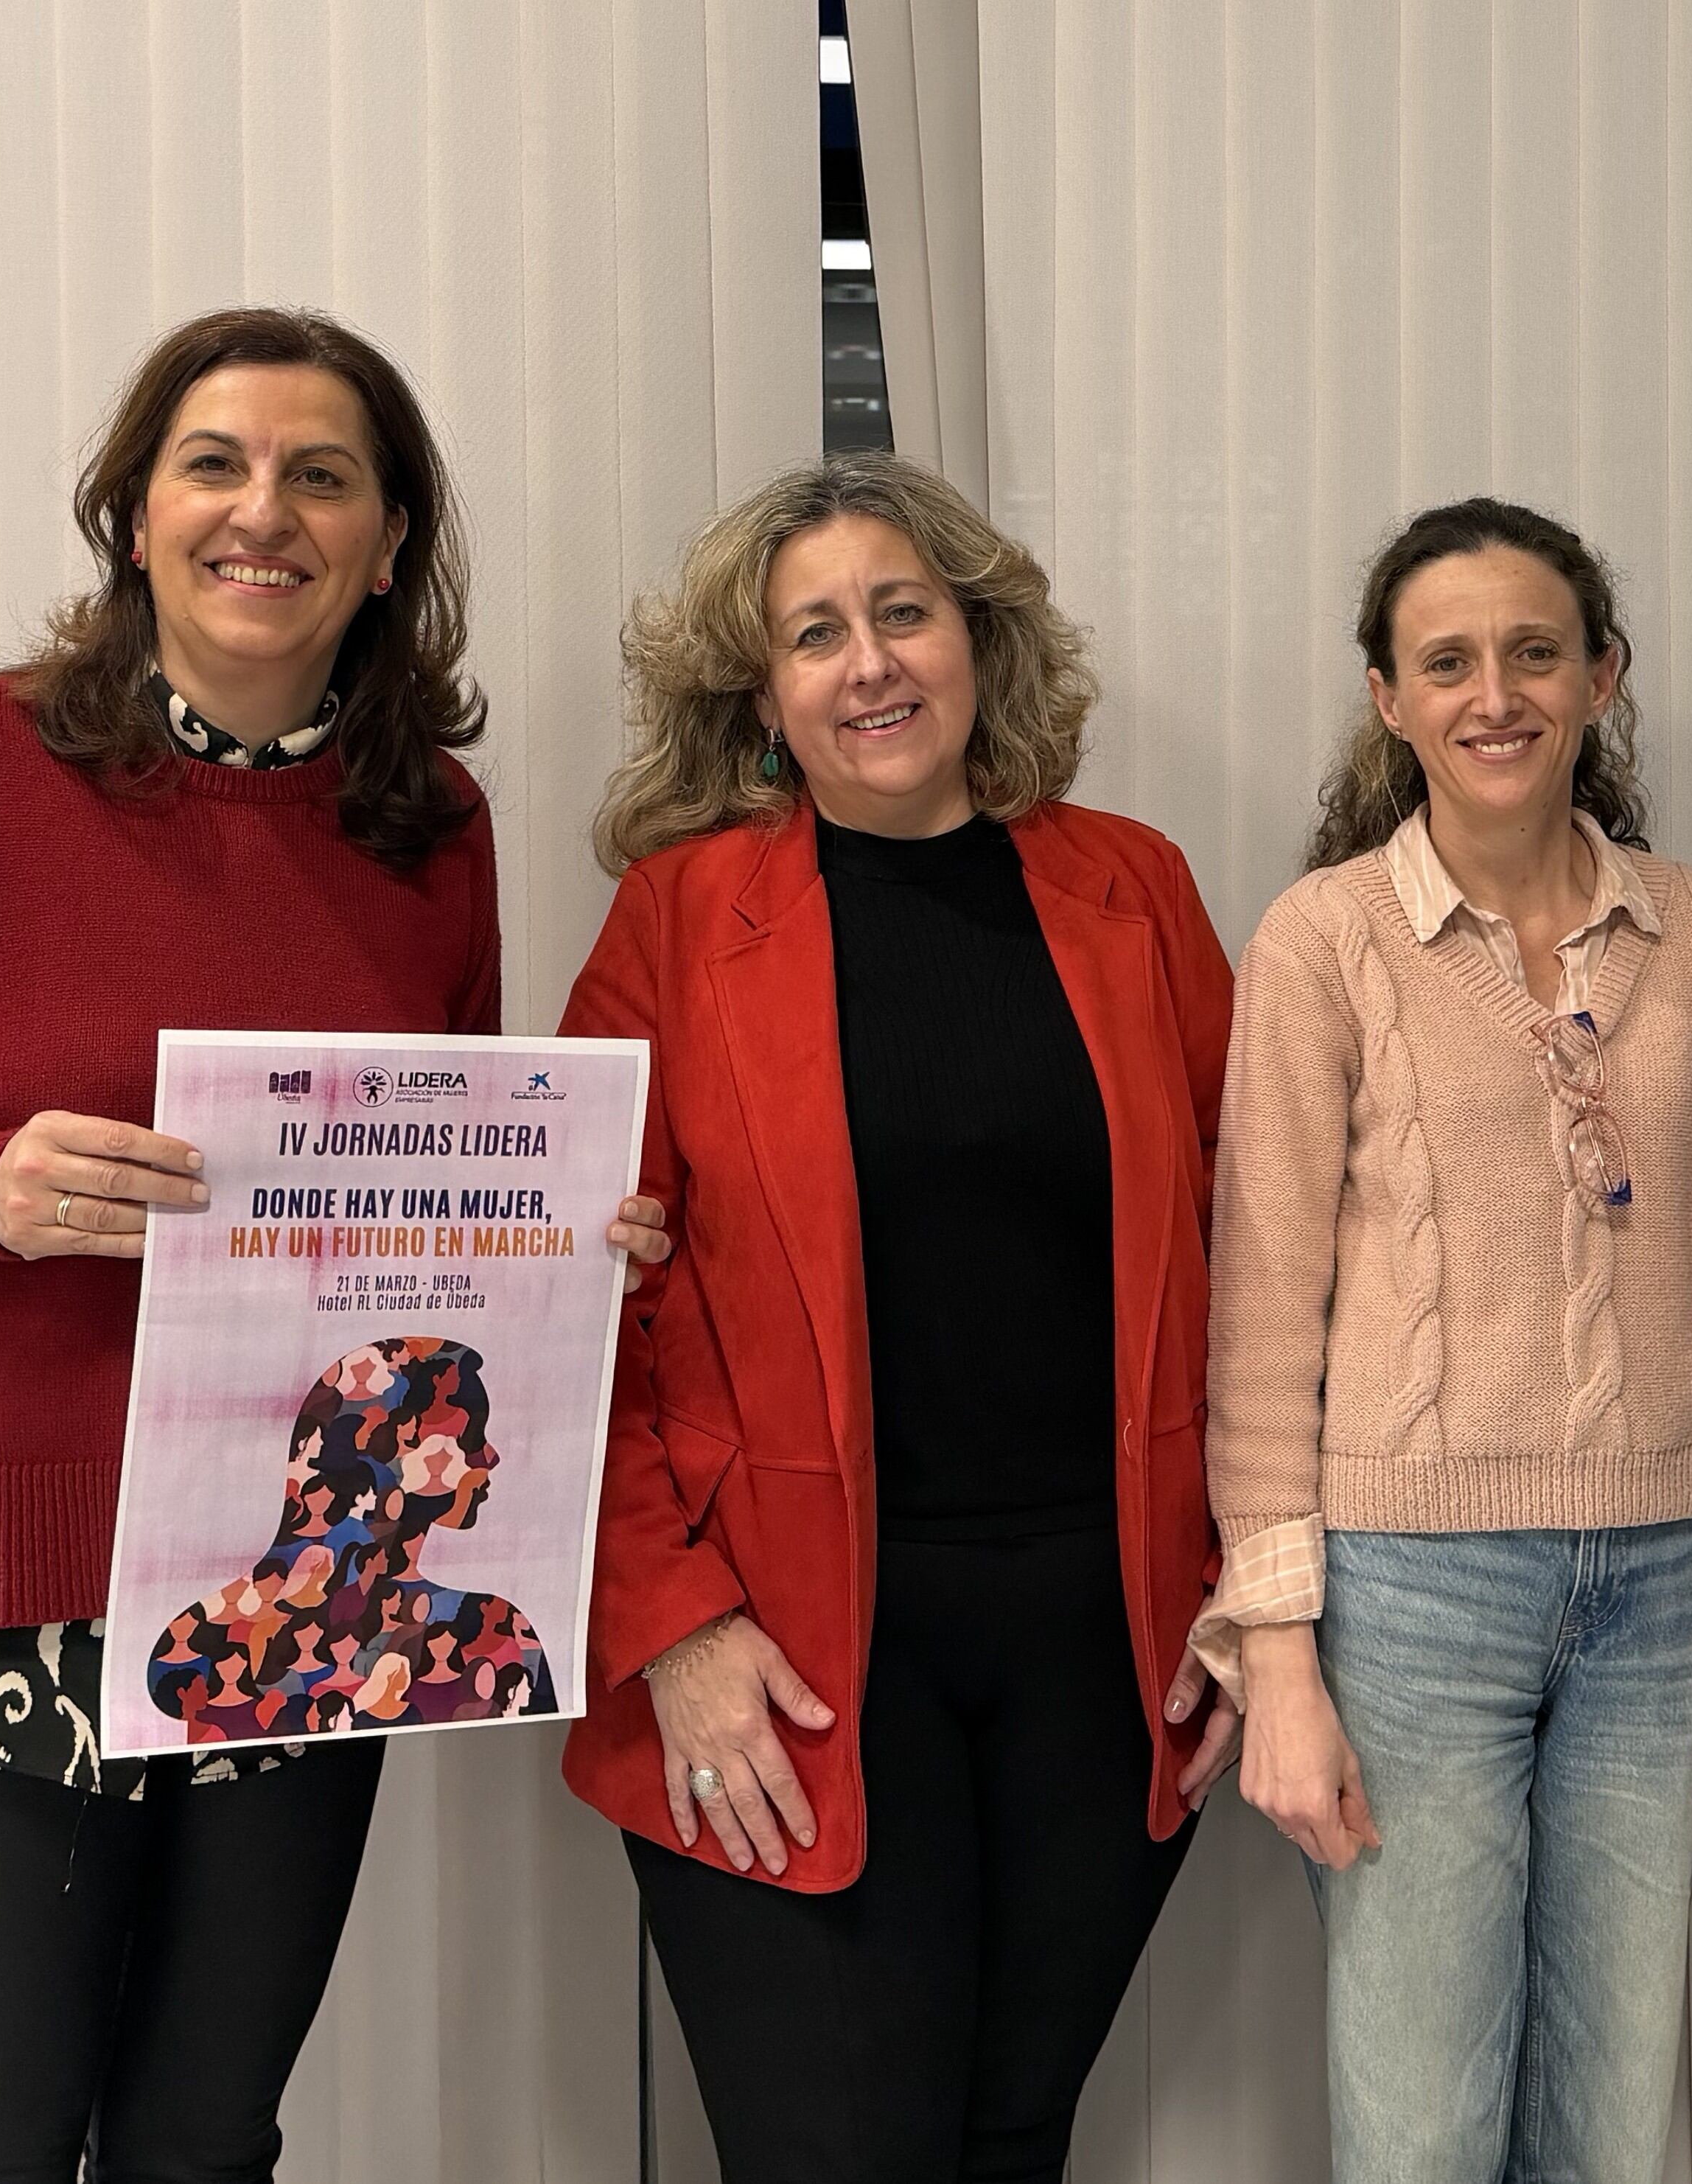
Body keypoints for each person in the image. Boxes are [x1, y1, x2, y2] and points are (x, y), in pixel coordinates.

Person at [0, 306, 654, 2182]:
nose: (260, 511)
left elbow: (412, 1203)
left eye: (321, 476)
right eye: (214, 463)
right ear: (134, 514)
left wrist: (552, 1233)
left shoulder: (428, 825)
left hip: (301, 1605)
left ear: (387, 544)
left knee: (207, 2142)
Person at [558, 450, 1240, 2184]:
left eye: (902, 611)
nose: (867, 662)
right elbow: (571, 1307)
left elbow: (1265, 1249)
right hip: (776, 1647)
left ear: (976, 640)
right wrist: (668, 1624)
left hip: (1108, 1639)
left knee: (1010, 2136)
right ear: (762, 695)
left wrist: (1263, 1587)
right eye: (813, 633)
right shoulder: (679, 922)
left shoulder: (1135, 889)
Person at [1196, 497, 1692, 2182]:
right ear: (1389, 698)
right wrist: (1274, 1647)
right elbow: (1261, 1317)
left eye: (1537, 652)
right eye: (1449, 661)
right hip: (1411, 1590)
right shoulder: (1323, 943)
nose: (1498, 694)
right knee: (1420, 2119)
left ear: (1603, 676)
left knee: (1609, 2119)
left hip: (1678, 1585)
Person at [147, 1336, 557, 1740]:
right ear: (397, 1451)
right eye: (470, 1437)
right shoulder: (207, 1640)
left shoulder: (496, 1630)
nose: (490, 1456)